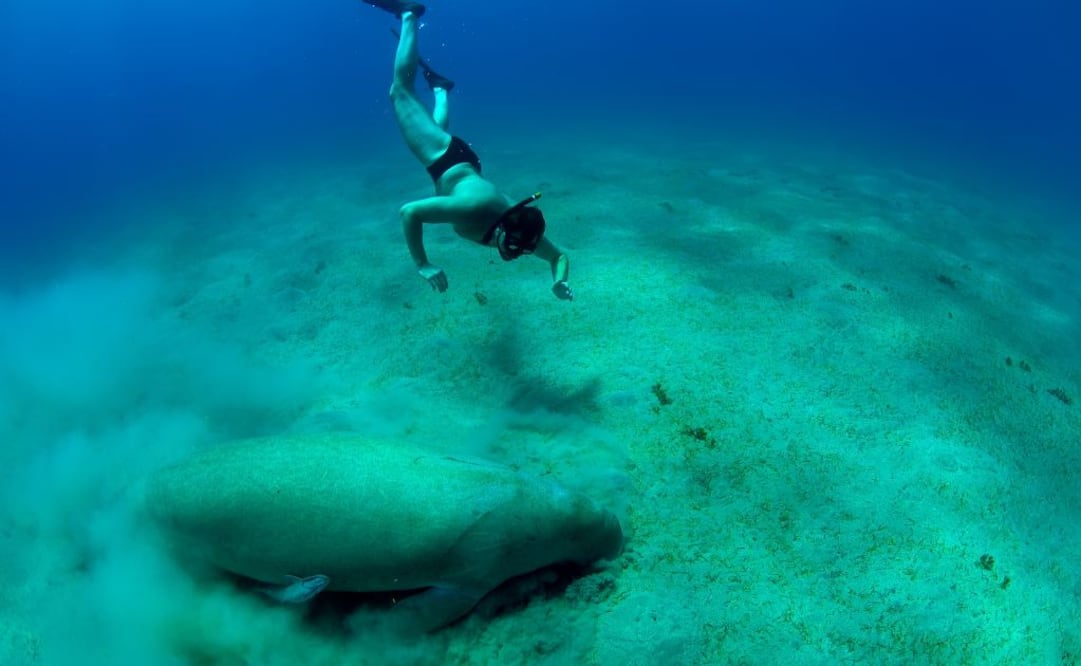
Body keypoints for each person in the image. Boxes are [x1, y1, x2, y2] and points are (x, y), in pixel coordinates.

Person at [362, 0, 573, 301]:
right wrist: (423, 264)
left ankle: (440, 90)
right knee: (400, 92)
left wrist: (559, 282)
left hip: (463, 164)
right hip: (443, 160)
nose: (516, 252)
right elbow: (409, 212)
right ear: (506, 227)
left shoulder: (521, 230)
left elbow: (558, 257)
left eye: (521, 249)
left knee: (433, 129)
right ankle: (409, 14)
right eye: (515, 246)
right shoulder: (472, 209)